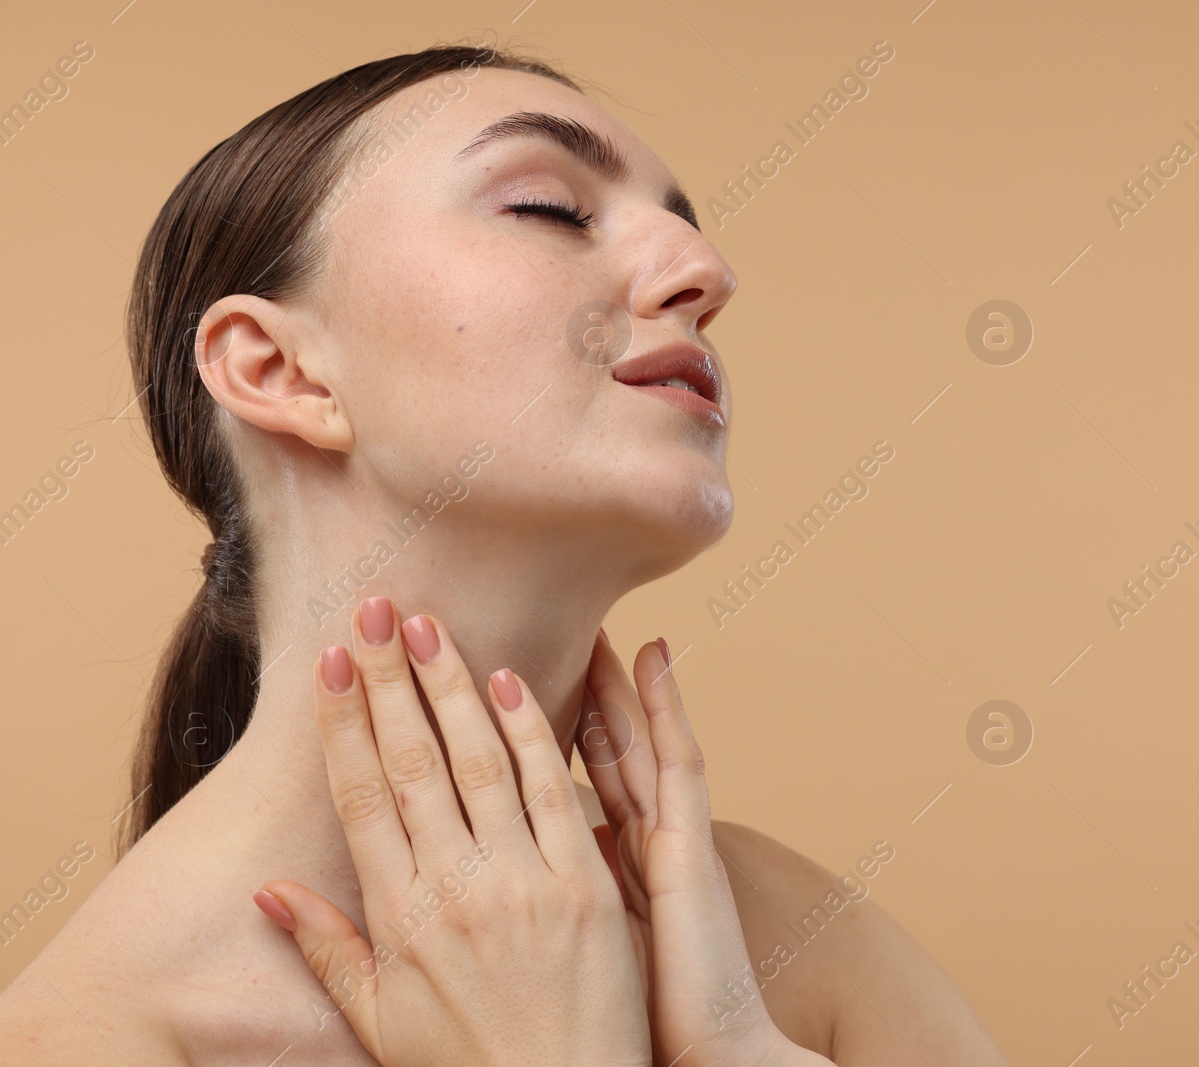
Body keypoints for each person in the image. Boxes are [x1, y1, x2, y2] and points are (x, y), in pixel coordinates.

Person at [0, 41, 1009, 1064]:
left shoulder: (792, 951)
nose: (705, 274)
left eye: (687, 231)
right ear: (282, 370)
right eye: (549, 208)